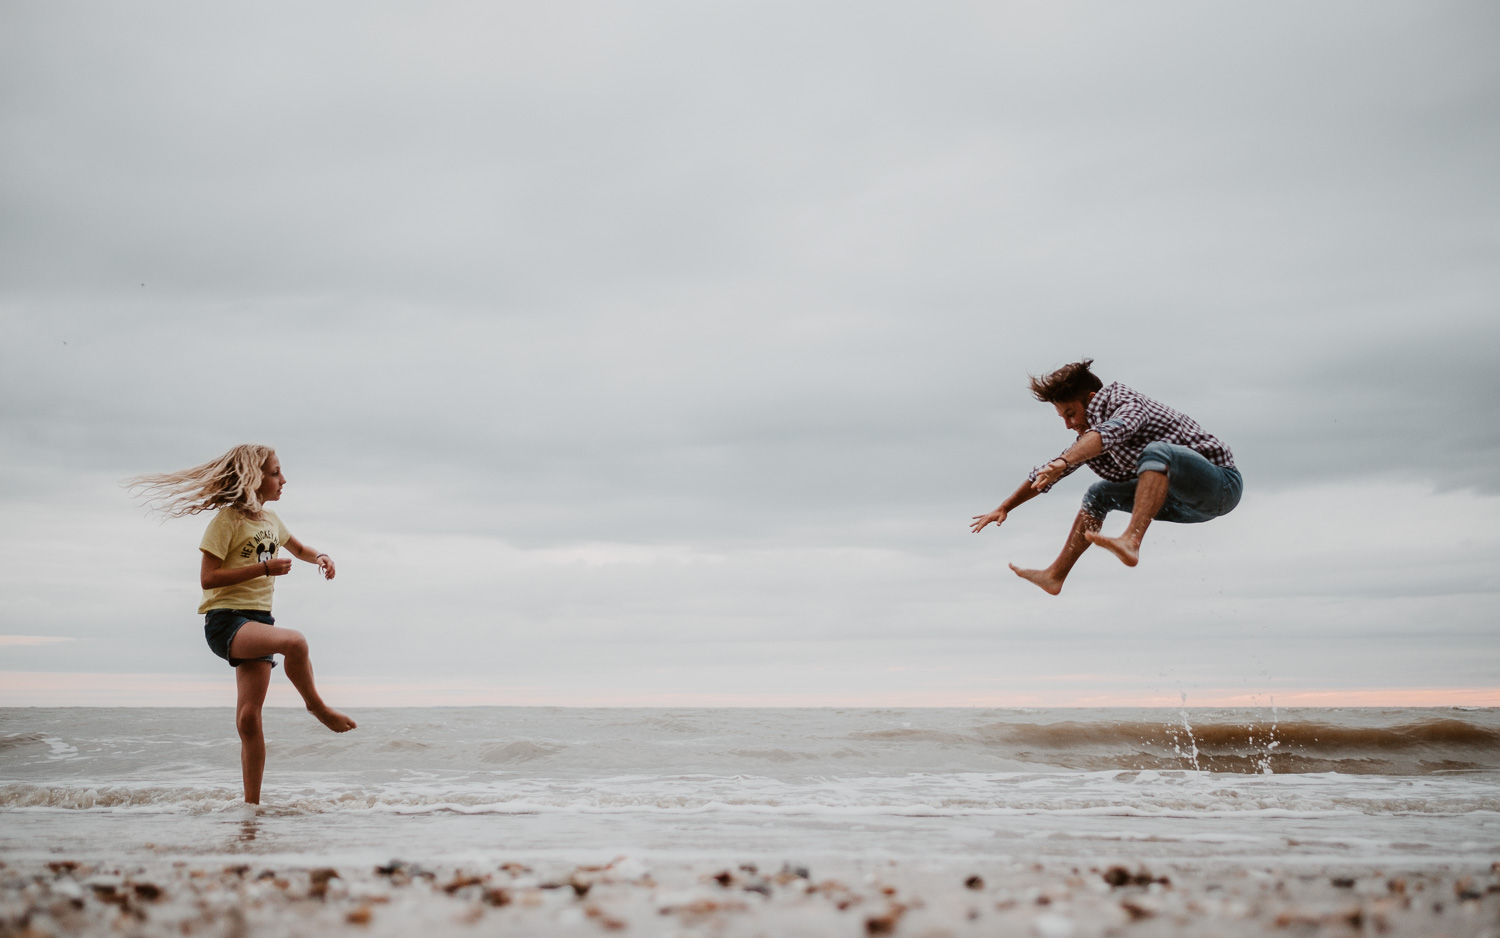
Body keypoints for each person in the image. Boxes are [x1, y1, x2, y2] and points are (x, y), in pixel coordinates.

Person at [128, 444, 356, 804]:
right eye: (275, 473)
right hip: (226, 622)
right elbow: (208, 579)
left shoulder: (271, 521)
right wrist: (264, 568)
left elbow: (298, 549)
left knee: (249, 719)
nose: (283, 479)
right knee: (295, 642)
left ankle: (252, 808)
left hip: (259, 621)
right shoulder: (226, 521)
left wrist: (322, 557)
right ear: (254, 478)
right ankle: (317, 707)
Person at [970, 360, 1242, 594]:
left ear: (1091, 400)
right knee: (1098, 493)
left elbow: (1113, 431)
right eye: (1062, 417)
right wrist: (1005, 506)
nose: (1068, 424)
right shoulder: (1089, 436)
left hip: (1221, 486)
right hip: (1185, 505)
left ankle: (1131, 540)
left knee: (1157, 452)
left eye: (1071, 413)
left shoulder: (1125, 401)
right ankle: (1055, 576)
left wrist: (1065, 460)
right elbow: (1050, 471)